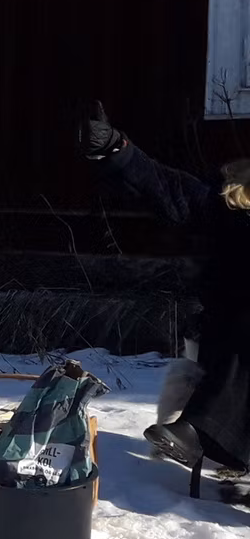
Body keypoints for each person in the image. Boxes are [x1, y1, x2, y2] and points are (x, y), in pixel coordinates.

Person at [81, 103, 250, 486]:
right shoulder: (234, 204)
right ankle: (199, 431)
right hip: (232, 346)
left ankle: (200, 430)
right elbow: (171, 189)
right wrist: (116, 150)